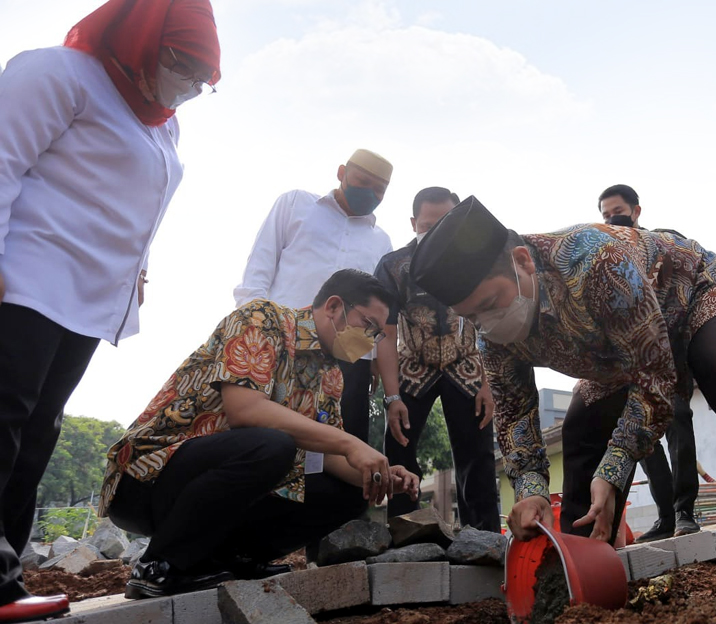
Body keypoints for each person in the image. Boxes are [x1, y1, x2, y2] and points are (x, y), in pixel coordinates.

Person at [410, 197, 716, 600]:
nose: (488, 323)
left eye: (490, 304)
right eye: (474, 316)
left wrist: (617, 465)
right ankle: (580, 577)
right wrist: (531, 489)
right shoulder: (491, 335)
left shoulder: (596, 261)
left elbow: (655, 377)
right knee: (581, 427)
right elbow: (516, 416)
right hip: (619, 351)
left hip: (695, 294)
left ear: (523, 261)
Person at [0, 0, 221, 620]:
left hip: (89, 298)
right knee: (4, 417)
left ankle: (5, 575)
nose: (189, 84)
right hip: (24, 278)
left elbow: (142, 201)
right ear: (142, 39)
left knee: (37, 429)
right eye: (182, 62)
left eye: (203, 77)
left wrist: (138, 267)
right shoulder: (58, 75)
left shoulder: (163, 121)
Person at [99, 269, 419, 600]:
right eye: (368, 326)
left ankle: (236, 558)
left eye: (377, 335)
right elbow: (246, 411)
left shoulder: (330, 375)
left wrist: (379, 472)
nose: (370, 341)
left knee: (353, 491)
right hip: (146, 480)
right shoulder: (262, 319)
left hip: (210, 491)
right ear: (335, 306)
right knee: (272, 444)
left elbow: (326, 454)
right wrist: (351, 442)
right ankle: (160, 565)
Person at [234, 150, 395, 445]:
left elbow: (377, 307)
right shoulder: (295, 204)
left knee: (341, 441)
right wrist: (252, 327)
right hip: (279, 340)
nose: (369, 192)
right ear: (341, 172)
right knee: (268, 431)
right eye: (363, 181)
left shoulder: (381, 241)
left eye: (379, 190)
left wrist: (371, 359)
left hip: (346, 356)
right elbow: (259, 268)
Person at [374, 187, 500, 531]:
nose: (437, 232)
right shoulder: (393, 266)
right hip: (414, 366)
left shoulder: (480, 261)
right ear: (414, 223)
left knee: (478, 455)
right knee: (398, 445)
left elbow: (491, 323)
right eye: (428, 225)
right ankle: (404, 532)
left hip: (468, 365)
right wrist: (392, 396)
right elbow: (385, 334)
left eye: (446, 223)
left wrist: (490, 385)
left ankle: (484, 537)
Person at [598, 184, 701, 542]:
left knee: (679, 421)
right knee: (643, 440)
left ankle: (685, 511)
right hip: (628, 366)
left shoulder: (661, 246)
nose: (612, 218)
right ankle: (665, 516)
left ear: (636, 210)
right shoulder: (603, 257)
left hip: (669, 358)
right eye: (606, 215)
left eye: (618, 211)